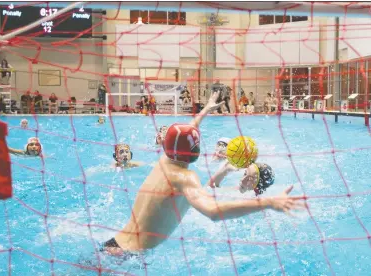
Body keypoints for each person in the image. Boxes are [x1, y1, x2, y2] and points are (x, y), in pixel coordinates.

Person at [102, 91, 303, 256]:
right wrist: (269, 203)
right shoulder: (185, 178)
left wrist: (206, 109)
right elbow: (214, 212)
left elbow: (188, 130)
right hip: (127, 257)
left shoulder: (164, 161)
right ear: (195, 151)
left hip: (112, 243)